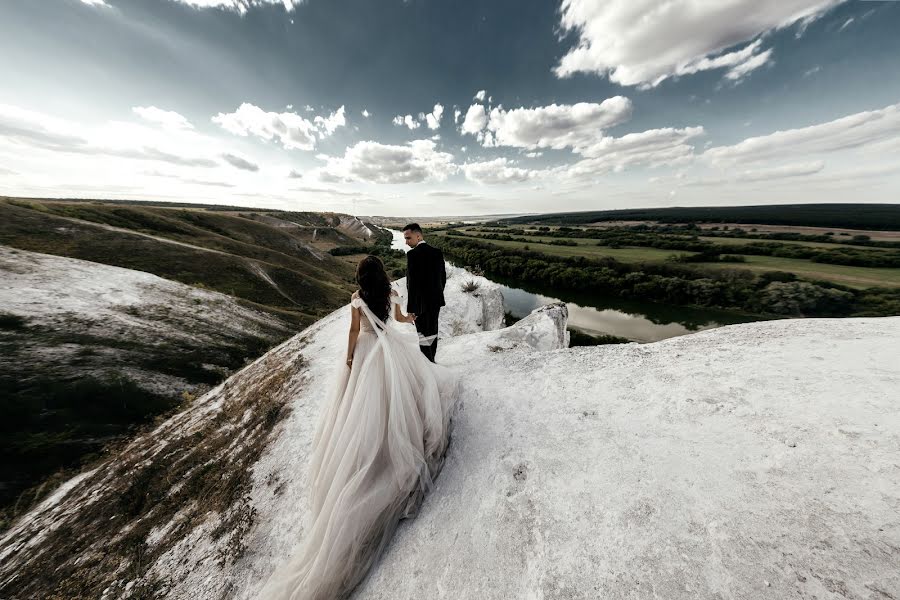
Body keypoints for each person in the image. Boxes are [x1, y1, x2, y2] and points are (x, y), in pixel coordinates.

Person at [260, 255, 457, 600]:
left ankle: (371, 448)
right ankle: (397, 439)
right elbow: (398, 318)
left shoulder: (357, 297)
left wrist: (350, 358)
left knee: (361, 405)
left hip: (368, 352)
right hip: (390, 349)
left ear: (361, 275)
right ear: (381, 274)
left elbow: (354, 331)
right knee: (403, 396)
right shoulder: (390, 291)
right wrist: (409, 317)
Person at [402, 223, 447, 362]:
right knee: (433, 331)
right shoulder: (437, 252)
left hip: (420, 304)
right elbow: (442, 278)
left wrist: (411, 309)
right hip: (435, 301)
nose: (406, 242)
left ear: (418, 235)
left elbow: (412, 285)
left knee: (422, 334)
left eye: (408, 238)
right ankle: (432, 359)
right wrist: (436, 294)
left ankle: (427, 364)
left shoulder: (412, 255)